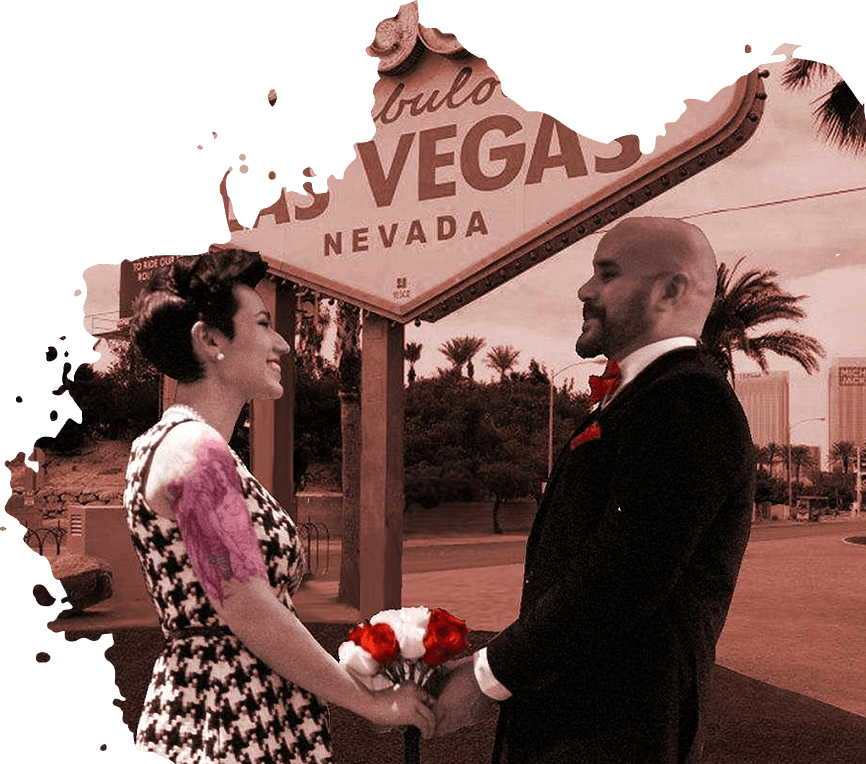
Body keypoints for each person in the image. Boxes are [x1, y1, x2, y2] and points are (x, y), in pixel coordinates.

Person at [433, 217, 756, 763]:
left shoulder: (688, 400)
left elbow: (624, 575)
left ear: (669, 290)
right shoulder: (644, 396)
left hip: (616, 734)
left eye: (605, 275)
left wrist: (486, 677)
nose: (585, 291)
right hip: (573, 724)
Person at [124, 248, 434, 763]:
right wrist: (372, 705)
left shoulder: (174, 445)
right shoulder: (196, 451)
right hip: (228, 718)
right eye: (264, 324)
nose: (283, 343)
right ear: (209, 339)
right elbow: (248, 608)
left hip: (219, 705)